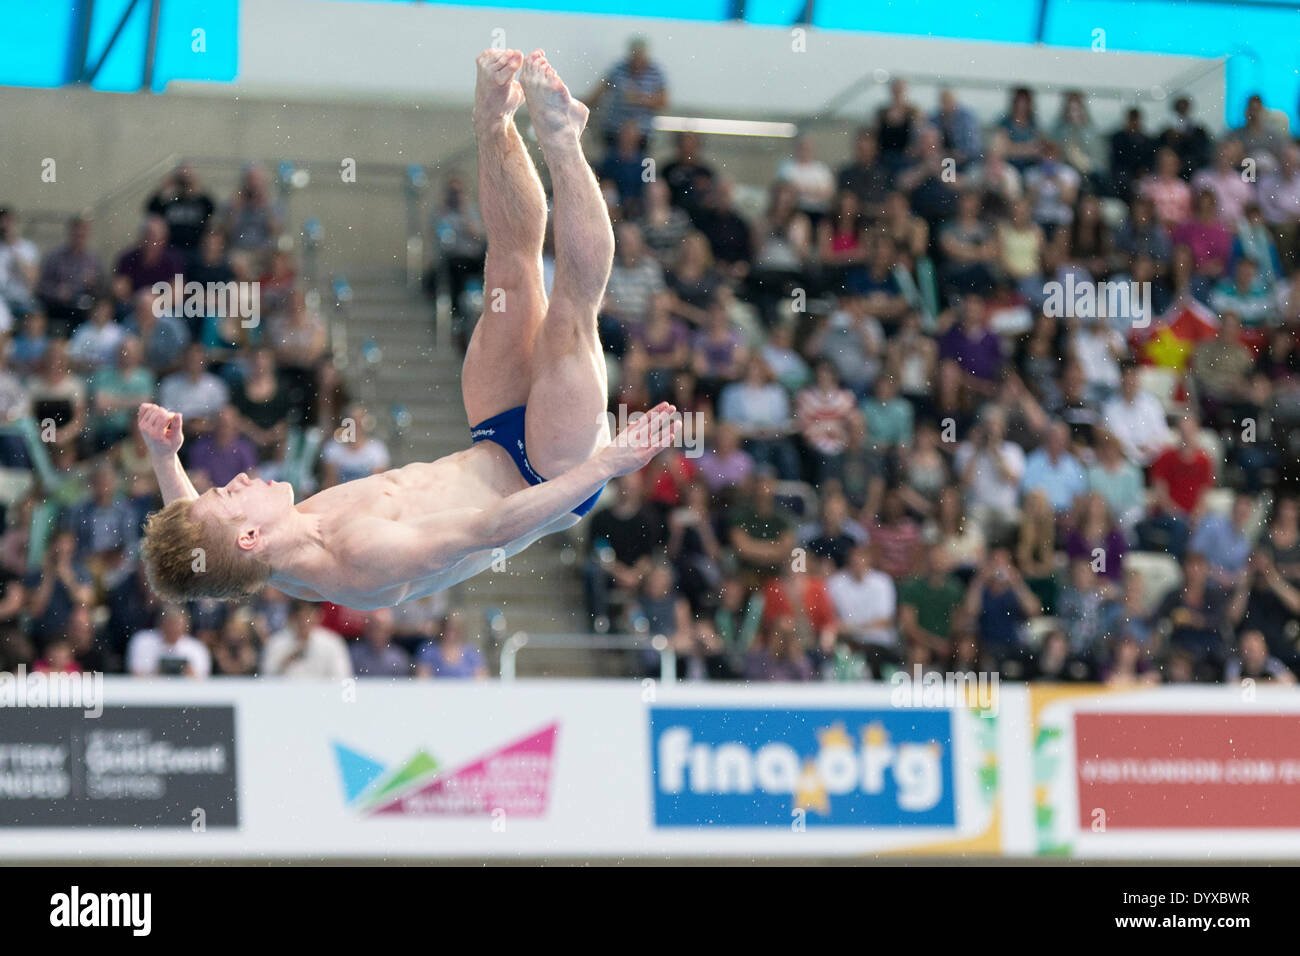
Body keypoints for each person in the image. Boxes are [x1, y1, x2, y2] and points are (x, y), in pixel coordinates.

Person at [138, 51, 680, 607]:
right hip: (546, 479)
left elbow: (199, 540)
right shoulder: (359, 557)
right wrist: (610, 462)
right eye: (228, 494)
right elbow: (492, 528)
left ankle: (493, 121)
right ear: (250, 537)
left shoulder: (260, 551)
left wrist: (164, 456)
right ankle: (564, 139)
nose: (239, 480)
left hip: (492, 438)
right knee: (569, 315)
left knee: (510, 270)